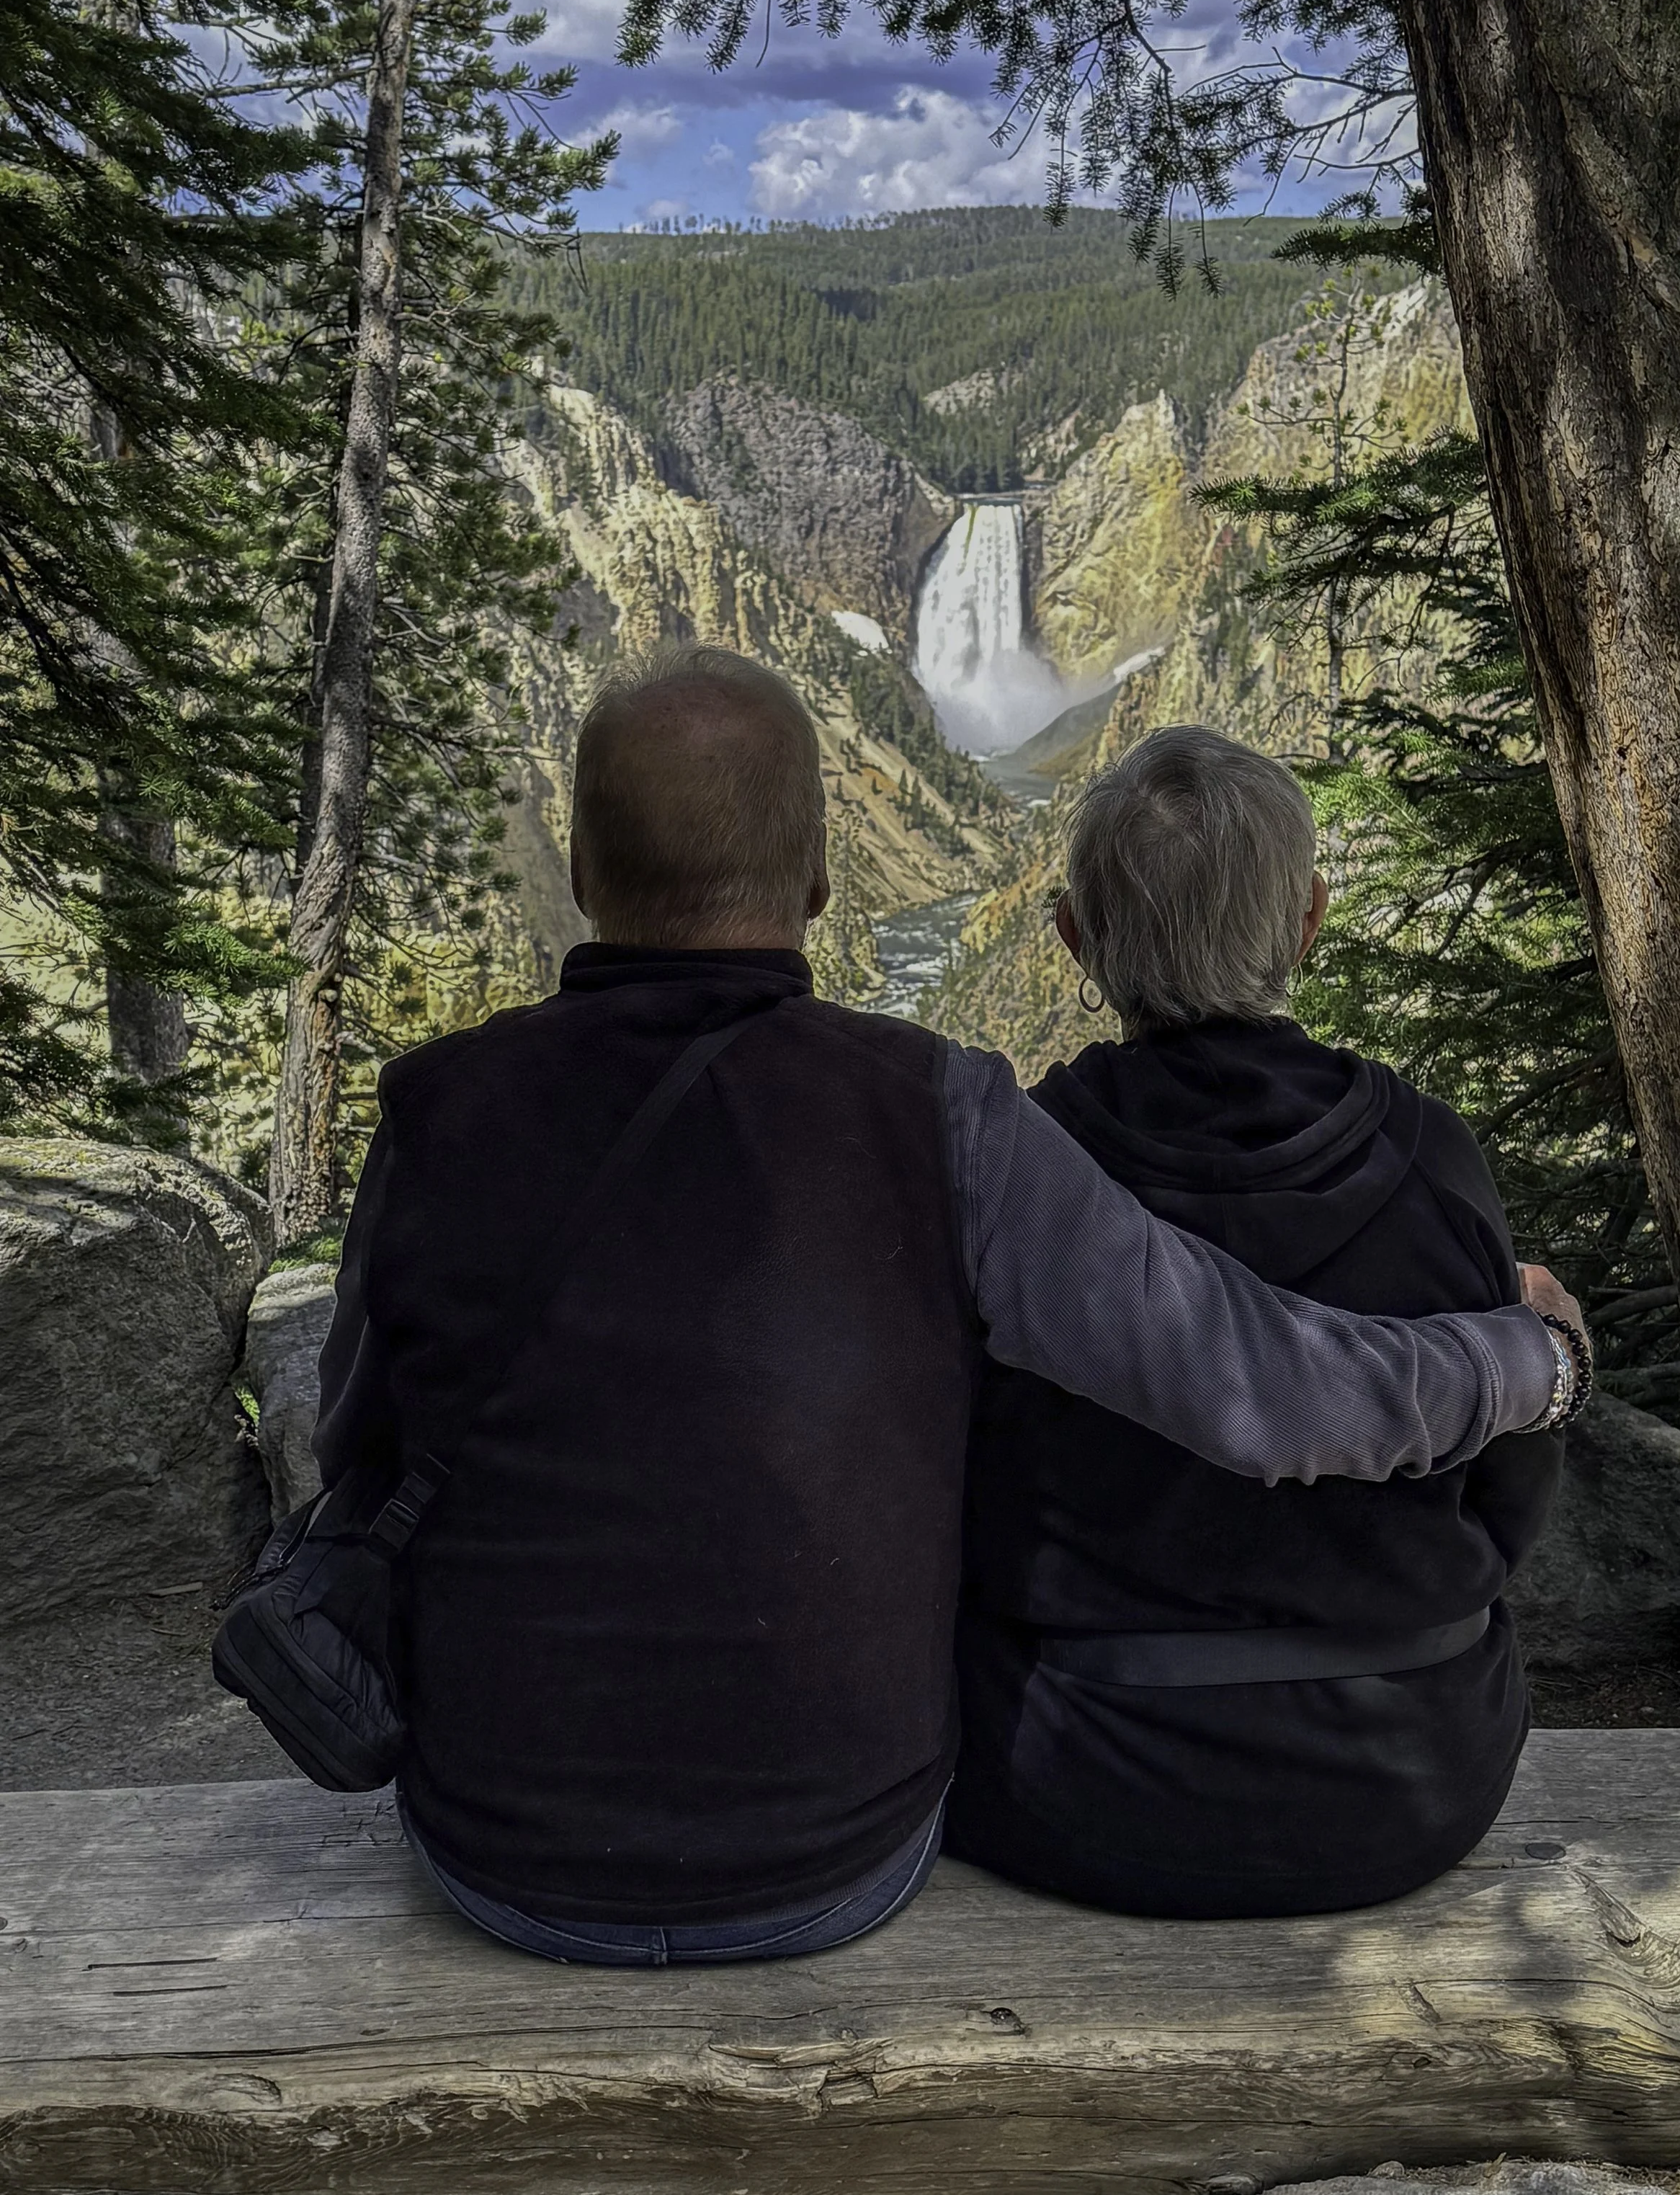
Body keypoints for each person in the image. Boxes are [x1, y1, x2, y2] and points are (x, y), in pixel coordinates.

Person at [313, 649, 1583, 1967]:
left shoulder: (434, 1113)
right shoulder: (936, 1115)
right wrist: (1529, 1360)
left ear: (580, 873)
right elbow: (1248, 1383)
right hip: (834, 1855)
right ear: (819, 876)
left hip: (497, 1850)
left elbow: (357, 1457)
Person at [947, 724, 1568, 1920]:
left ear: (1074, 935)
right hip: (1419, 1775)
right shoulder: (1430, 1155)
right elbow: (1509, 1492)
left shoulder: (1023, 1177)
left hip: (1080, 1781)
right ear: (1307, 923)